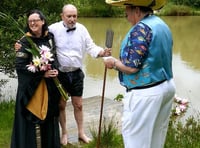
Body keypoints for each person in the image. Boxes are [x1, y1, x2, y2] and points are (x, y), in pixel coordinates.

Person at [104, 0, 176, 148]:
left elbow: (131, 68)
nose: (126, 15)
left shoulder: (141, 29)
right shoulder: (161, 24)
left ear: (137, 10)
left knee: (135, 140)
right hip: (166, 85)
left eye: (127, 11)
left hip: (146, 92)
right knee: (156, 138)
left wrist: (113, 62)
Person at [48, 4, 111, 145]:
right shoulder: (53, 28)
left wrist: (102, 53)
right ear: (62, 16)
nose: (72, 19)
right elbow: (38, 36)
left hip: (76, 73)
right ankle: (64, 132)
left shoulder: (82, 29)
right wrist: (21, 44)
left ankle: (81, 133)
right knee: (61, 105)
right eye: (69, 16)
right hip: (61, 73)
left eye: (74, 16)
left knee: (79, 105)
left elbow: (91, 46)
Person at [11, 9, 61, 148]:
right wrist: (41, 74)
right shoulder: (24, 42)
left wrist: (54, 68)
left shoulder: (49, 37)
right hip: (32, 90)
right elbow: (20, 67)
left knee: (50, 118)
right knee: (33, 122)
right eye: (30, 21)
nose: (33, 23)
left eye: (36, 20)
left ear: (43, 21)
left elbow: (54, 56)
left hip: (50, 87)